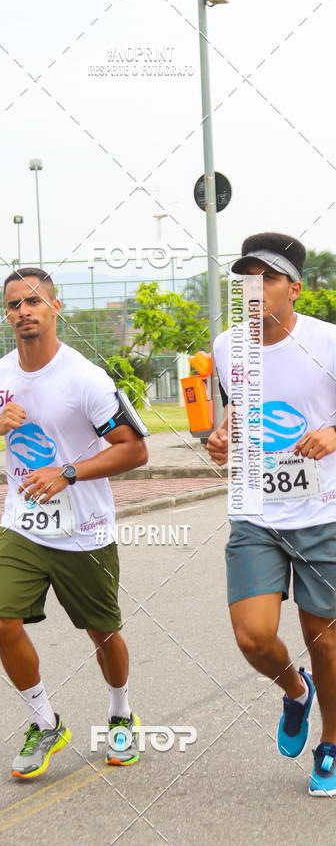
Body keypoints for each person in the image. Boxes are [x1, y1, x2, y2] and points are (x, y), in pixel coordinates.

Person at [0, 267, 148, 778]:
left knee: (103, 632)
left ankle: (120, 714)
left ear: (54, 307)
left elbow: (135, 450)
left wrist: (68, 472)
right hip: (22, 525)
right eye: (13, 304)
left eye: (33, 301)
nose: (23, 311)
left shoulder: (86, 379)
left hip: (84, 530)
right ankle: (45, 722)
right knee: (2, 619)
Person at [207, 233, 336, 796]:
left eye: (268, 278)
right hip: (257, 510)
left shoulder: (328, 344)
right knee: (254, 637)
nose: (255, 288)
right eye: (247, 278)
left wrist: (333, 432)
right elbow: (236, 415)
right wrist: (222, 438)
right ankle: (295, 690)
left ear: (295, 288)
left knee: (325, 640)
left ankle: (330, 744)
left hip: (322, 511)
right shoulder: (225, 347)